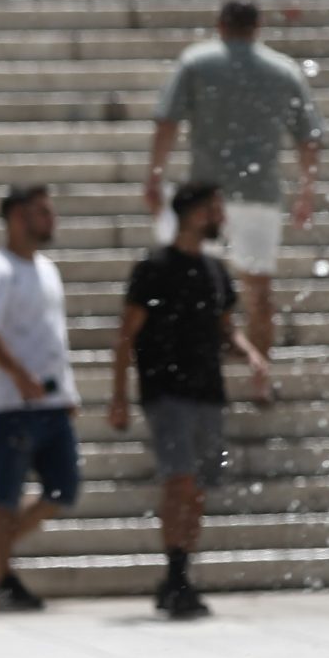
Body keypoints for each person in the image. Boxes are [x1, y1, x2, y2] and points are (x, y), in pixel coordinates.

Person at [143, 0, 318, 398]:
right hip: (259, 195)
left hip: (205, 197)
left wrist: (154, 176)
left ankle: (188, 370)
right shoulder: (283, 70)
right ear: (258, 28)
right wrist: (307, 191)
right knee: (257, 291)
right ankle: (260, 378)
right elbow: (309, 137)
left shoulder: (196, 62)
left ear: (220, 25)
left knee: (187, 284)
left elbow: (167, 121)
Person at [108, 181, 267, 620]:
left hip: (207, 393)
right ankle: (176, 573)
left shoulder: (215, 270)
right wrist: (119, 396)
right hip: (166, 391)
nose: (221, 218)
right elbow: (126, 335)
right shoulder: (154, 267)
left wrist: (251, 354)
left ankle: (179, 575)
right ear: (195, 214)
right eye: (215, 209)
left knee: (198, 488)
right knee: (179, 481)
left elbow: (225, 327)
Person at [0, 184, 79, 611]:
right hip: (10, 404)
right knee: (5, 493)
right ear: (18, 217)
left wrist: (67, 389)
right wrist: (18, 374)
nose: (51, 220)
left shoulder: (47, 268)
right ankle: (1, 578)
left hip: (51, 403)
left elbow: (54, 336)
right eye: (42, 213)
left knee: (63, 489)